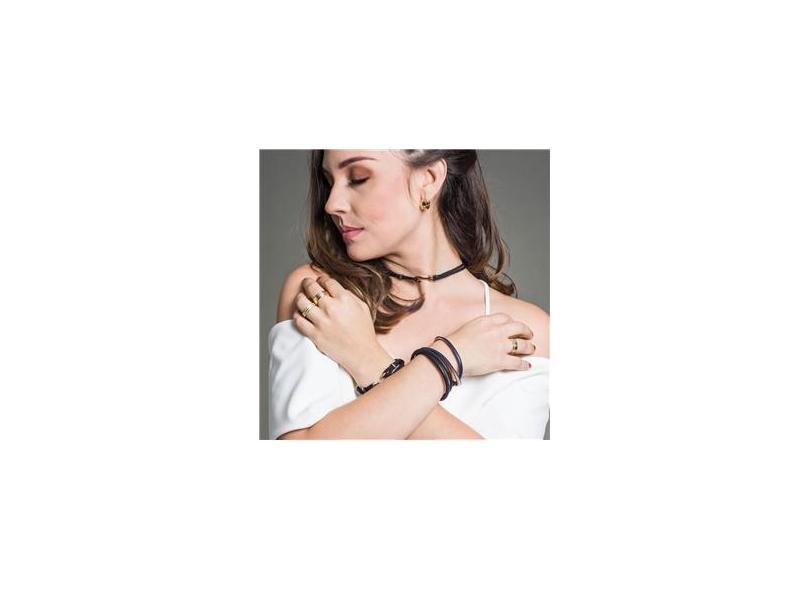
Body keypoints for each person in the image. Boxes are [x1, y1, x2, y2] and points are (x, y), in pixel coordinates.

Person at [268, 149, 549, 439]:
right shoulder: (323, 294)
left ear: (428, 179)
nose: (331, 204)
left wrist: (367, 359)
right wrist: (448, 359)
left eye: (358, 178)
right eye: (329, 181)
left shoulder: (524, 329)